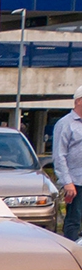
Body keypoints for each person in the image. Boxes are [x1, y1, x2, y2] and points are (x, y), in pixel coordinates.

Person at [55, 85, 82, 241]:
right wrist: (67, 182)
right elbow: (59, 155)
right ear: (79, 101)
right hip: (75, 182)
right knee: (74, 219)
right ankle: (72, 252)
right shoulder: (65, 124)